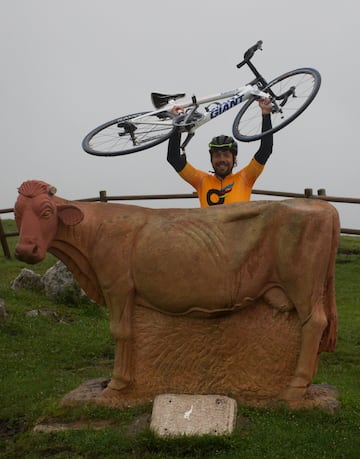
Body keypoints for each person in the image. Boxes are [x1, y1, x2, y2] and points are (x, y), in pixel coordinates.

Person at [167, 99, 273, 207]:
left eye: (226, 155)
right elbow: (173, 158)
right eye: (217, 155)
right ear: (211, 159)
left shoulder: (245, 178)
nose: (221, 159)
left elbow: (265, 149)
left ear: (234, 158)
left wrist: (266, 114)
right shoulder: (201, 181)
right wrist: (178, 123)